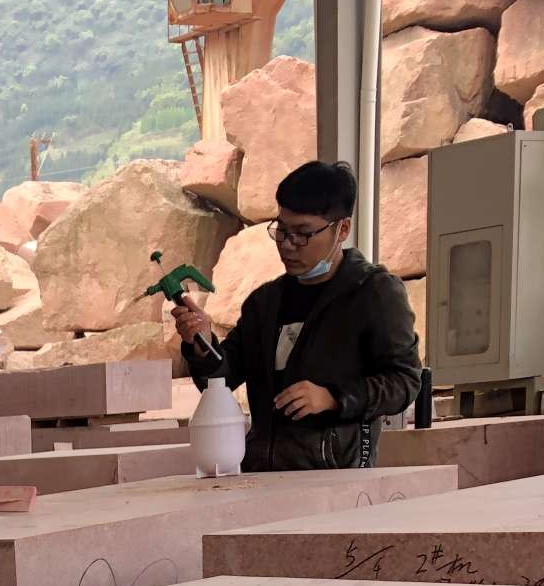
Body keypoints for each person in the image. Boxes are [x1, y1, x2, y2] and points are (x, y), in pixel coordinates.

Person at [173, 159, 422, 473]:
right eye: (282, 231)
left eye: (303, 234)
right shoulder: (265, 303)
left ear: (342, 229)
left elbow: (404, 381)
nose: (288, 246)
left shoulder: (373, 293)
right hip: (261, 473)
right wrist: (201, 342)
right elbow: (221, 379)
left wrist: (333, 397)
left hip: (337, 477)